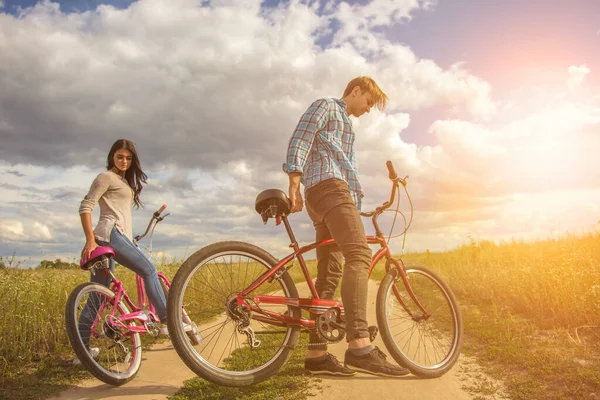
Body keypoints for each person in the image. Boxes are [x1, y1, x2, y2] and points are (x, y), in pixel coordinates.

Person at [282, 76, 409, 377]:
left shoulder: (347, 126)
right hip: (329, 188)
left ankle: (317, 354)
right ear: (356, 91)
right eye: (368, 102)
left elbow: (343, 165)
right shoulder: (328, 106)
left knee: (330, 275)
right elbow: (301, 136)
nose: (368, 109)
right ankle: (360, 346)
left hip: (331, 195)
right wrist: (294, 180)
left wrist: (356, 205)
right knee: (360, 255)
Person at [78, 139, 169, 349]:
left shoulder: (124, 182)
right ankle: (168, 320)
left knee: (98, 295)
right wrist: (90, 240)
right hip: (111, 234)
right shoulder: (106, 177)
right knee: (149, 270)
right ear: (112, 157)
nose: (124, 161)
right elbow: (85, 207)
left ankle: (81, 351)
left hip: (115, 237)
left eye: (128, 158)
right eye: (120, 157)